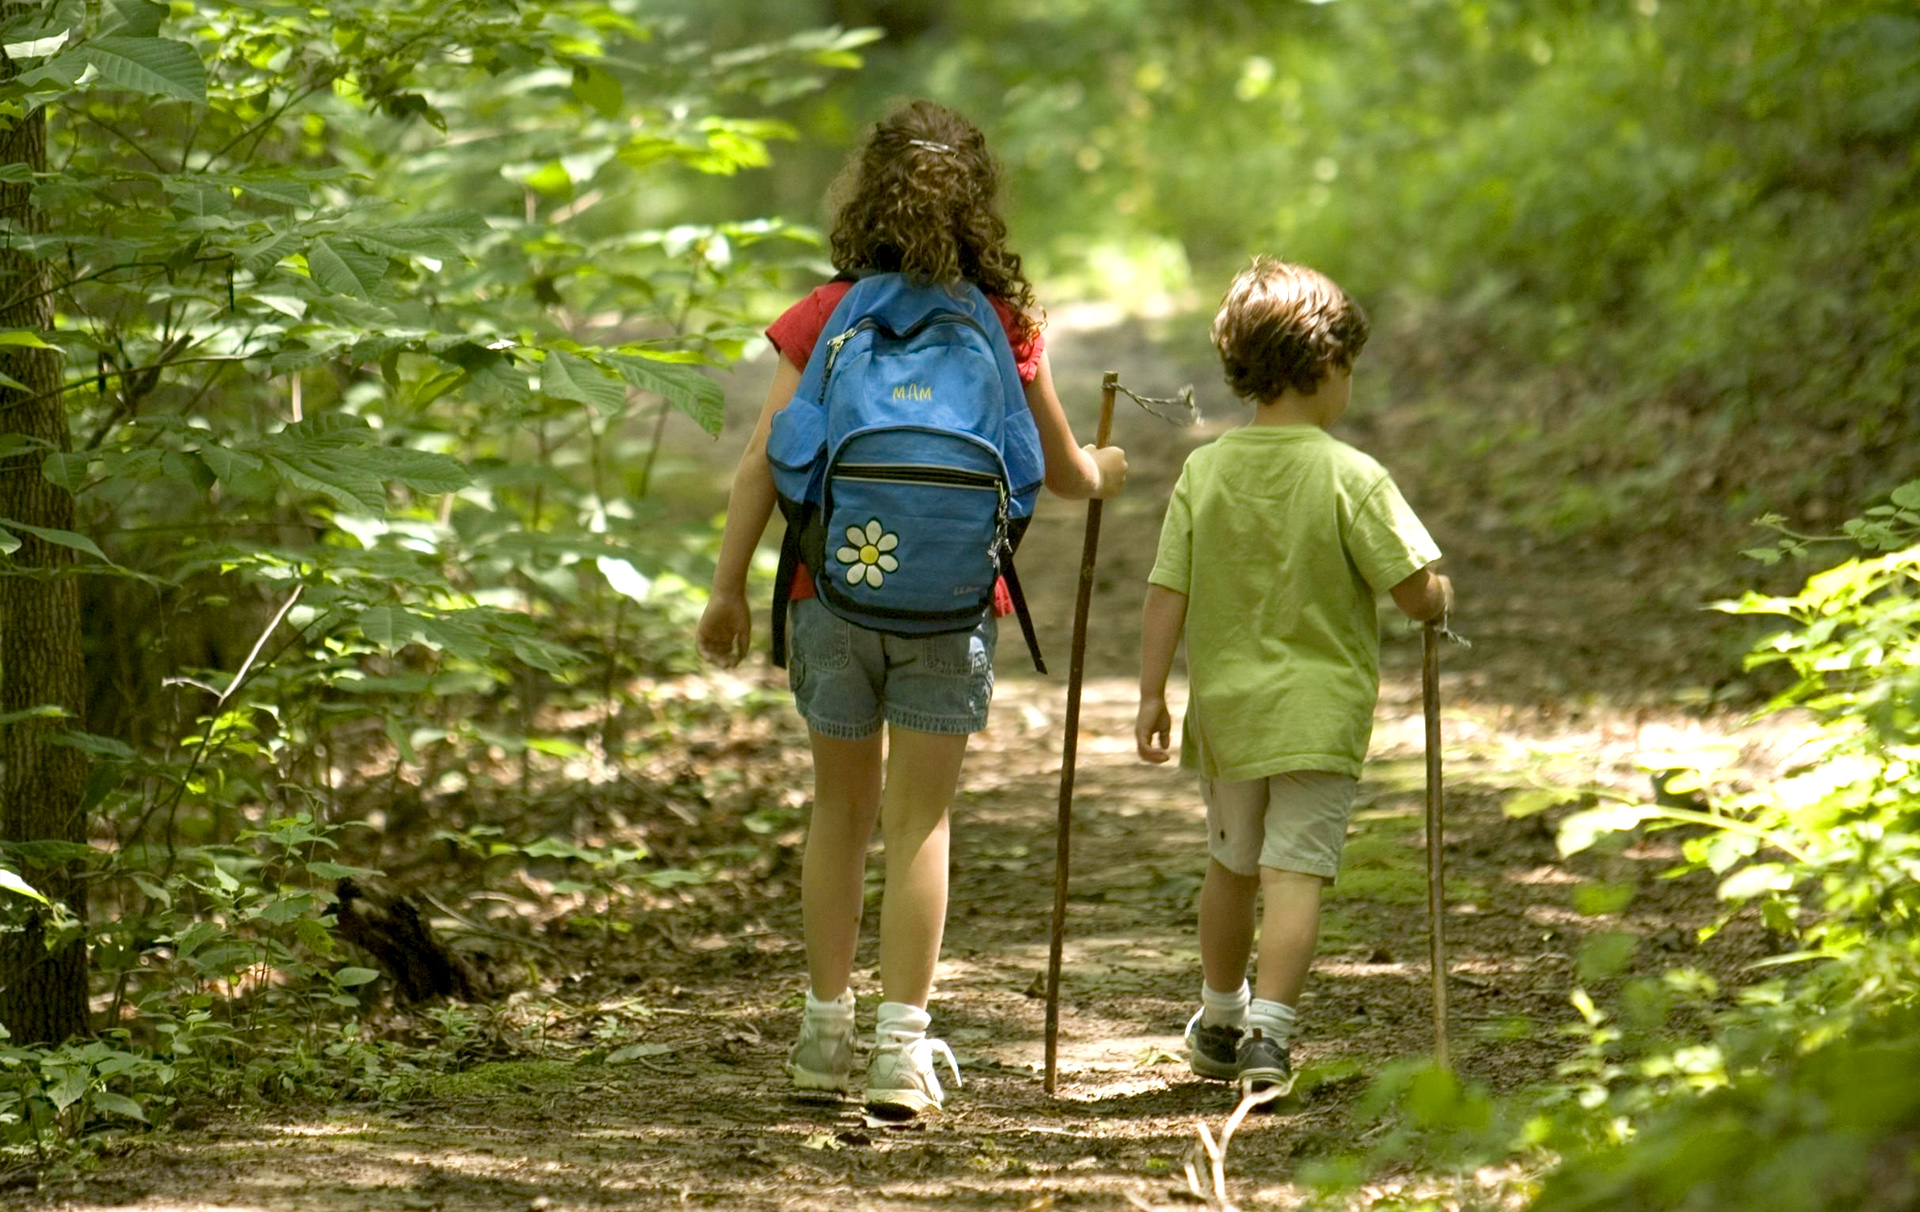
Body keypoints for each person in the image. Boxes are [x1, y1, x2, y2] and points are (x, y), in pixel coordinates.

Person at [695, 100, 1128, 1118]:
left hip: (828, 595)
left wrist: (726, 589)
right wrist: (1106, 466)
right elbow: (1065, 476)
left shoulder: (825, 312)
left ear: (867, 195)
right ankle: (901, 1051)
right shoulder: (1005, 322)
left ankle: (820, 1036)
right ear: (980, 205)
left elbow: (766, 456)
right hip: (949, 607)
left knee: (839, 814)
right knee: (920, 820)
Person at [1134, 256, 1452, 1097]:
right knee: (1295, 873)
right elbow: (1414, 590)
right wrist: (1440, 594)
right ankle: (1269, 1037)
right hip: (1318, 716)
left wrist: (1150, 692)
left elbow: (1168, 586)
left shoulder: (1205, 471)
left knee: (1232, 865)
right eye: (1350, 365)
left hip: (1230, 713)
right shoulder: (1352, 476)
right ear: (1326, 365)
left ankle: (1219, 1016)